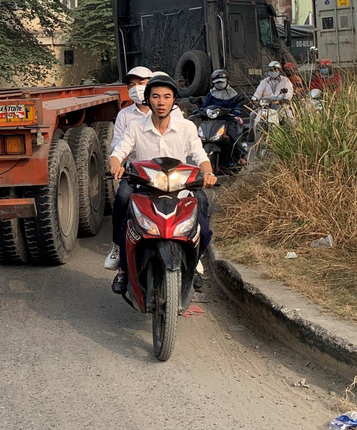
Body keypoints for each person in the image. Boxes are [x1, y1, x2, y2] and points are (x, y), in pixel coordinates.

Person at [107, 72, 216, 294]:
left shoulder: (186, 127)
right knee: (123, 204)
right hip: (143, 186)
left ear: (174, 100)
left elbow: (200, 156)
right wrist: (116, 164)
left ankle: (195, 260)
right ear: (148, 99)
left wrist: (208, 174)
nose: (161, 102)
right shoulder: (135, 126)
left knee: (203, 222)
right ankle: (121, 262)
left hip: (180, 187)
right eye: (156, 96)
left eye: (167, 97)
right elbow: (119, 151)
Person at [103, 66, 183, 270]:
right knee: (122, 199)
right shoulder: (126, 116)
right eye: (131, 84)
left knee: (195, 204)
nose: (136, 88)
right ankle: (117, 247)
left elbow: (186, 143)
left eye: (141, 83)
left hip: (171, 174)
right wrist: (118, 164)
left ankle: (192, 250)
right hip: (137, 174)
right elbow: (118, 147)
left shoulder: (176, 114)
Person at [200, 69, 250, 165]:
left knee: (231, 136)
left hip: (228, 120)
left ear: (227, 81)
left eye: (221, 82)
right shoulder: (211, 94)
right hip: (214, 120)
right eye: (217, 82)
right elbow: (205, 106)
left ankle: (242, 155)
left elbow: (237, 106)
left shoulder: (233, 94)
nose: (219, 84)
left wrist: (236, 110)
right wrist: (200, 111)